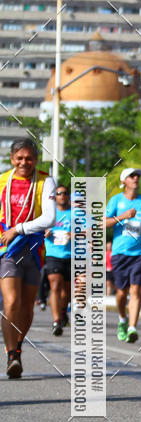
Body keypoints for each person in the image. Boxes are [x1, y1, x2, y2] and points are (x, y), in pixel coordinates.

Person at [0, 137, 56, 378]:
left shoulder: (46, 181)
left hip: (33, 249)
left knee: (26, 307)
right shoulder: (2, 180)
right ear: (12, 159)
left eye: (29, 158)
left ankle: (19, 346)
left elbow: (49, 218)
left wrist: (18, 229)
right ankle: (12, 354)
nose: (24, 162)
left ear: (36, 159)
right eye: (19, 158)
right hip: (7, 250)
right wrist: (8, 232)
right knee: (10, 302)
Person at [105, 168, 141, 343]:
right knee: (121, 293)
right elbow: (104, 223)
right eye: (132, 176)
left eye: (137, 176)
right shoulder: (116, 200)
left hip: (139, 253)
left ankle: (132, 327)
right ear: (124, 181)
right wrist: (123, 216)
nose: (135, 179)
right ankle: (123, 319)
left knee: (135, 291)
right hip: (120, 253)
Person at [44, 184, 71, 335]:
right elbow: (39, 230)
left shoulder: (75, 214)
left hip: (70, 255)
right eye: (59, 193)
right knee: (55, 285)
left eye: (65, 193)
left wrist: (74, 235)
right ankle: (56, 321)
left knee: (66, 291)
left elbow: (88, 230)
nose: (62, 195)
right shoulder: (49, 214)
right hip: (53, 254)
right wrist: (45, 232)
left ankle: (62, 311)